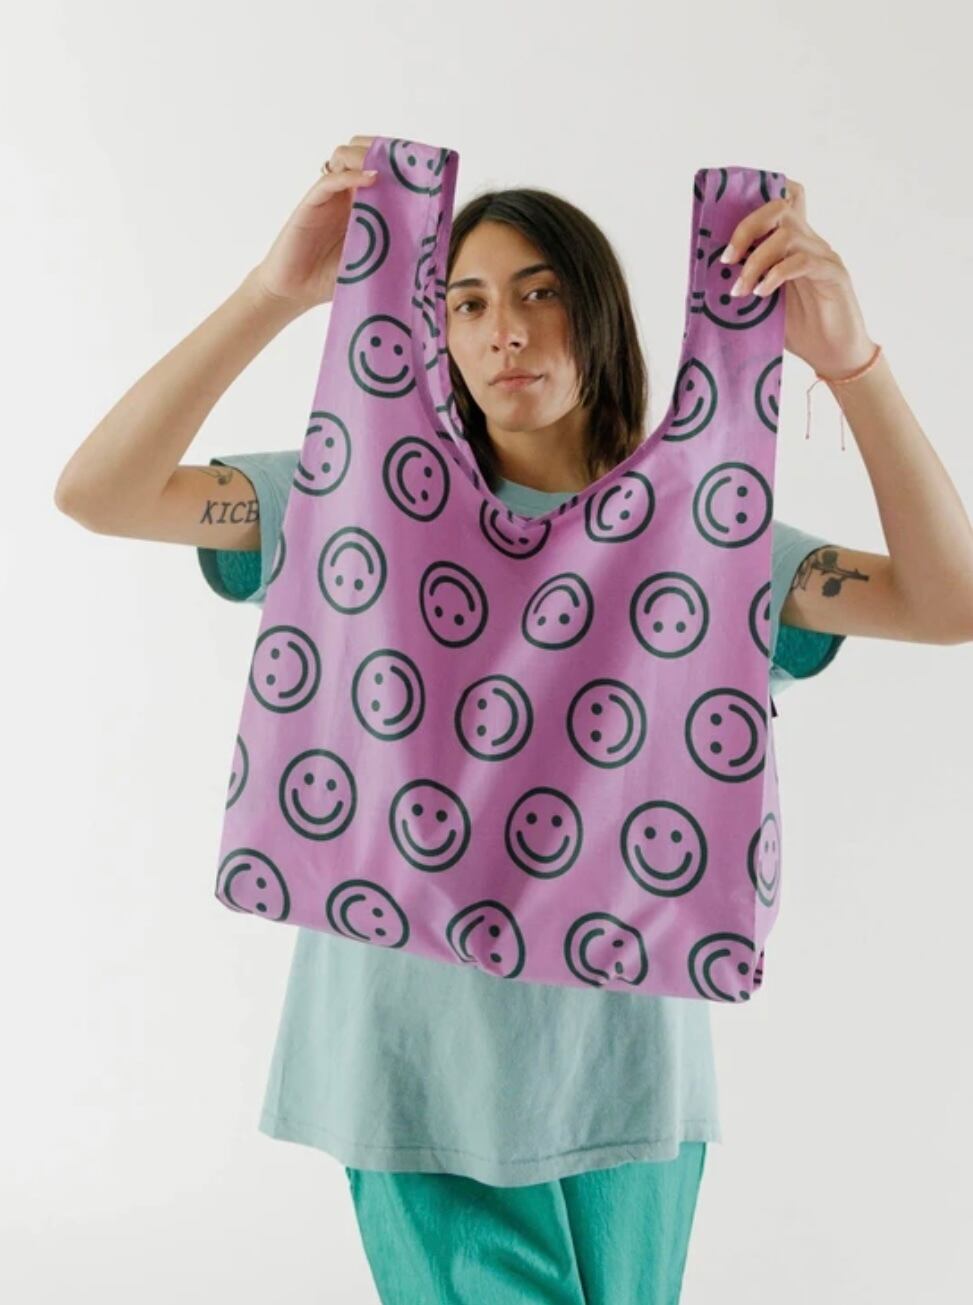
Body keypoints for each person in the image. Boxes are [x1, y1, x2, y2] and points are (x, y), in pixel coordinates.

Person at [57, 135, 961, 1304]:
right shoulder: (348, 500)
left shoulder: (703, 538)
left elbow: (947, 604)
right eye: (468, 301)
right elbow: (100, 491)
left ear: (599, 317)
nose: (505, 332)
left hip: (622, 1075)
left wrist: (850, 366)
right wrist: (271, 295)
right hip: (405, 1072)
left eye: (540, 295)